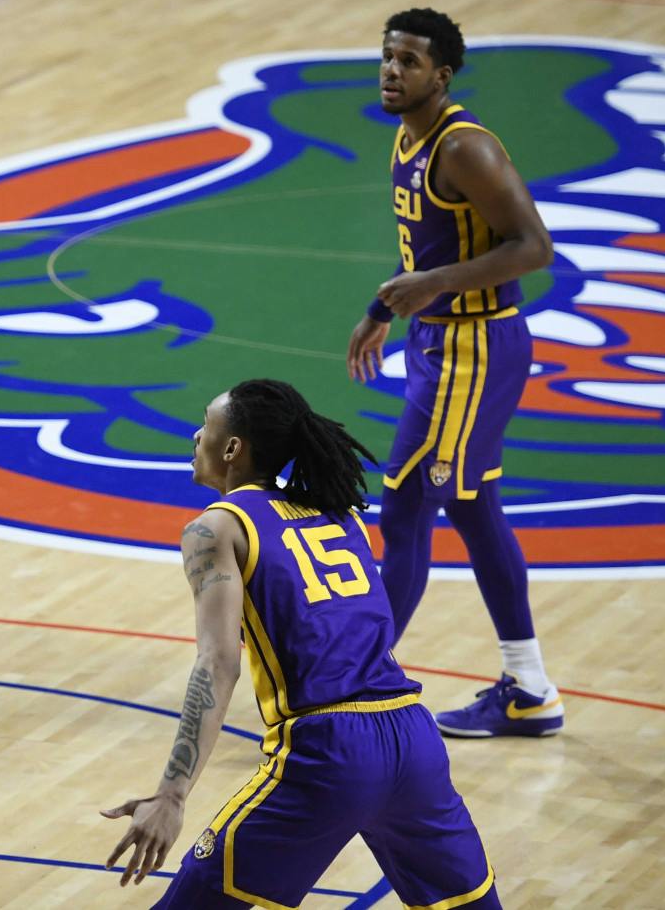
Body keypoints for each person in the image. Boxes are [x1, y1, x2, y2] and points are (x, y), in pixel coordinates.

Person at [99, 380, 502, 908]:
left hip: (328, 751)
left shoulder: (216, 528)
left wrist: (172, 794)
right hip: (414, 739)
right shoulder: (341, 512)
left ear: (233, 449)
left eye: (206, 423)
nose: (196, 434)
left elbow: (219, 663)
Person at [346, 8, 562, 738]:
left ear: (441, 76)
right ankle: (529, 686)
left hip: (476, 348)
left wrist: (433, 283)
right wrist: (384, 306)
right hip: (440, 343)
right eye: (387, 57)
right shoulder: (405, 140)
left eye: (408, 61)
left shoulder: (464, 147)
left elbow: (535, 247)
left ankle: (354, 684)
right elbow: (422, 257)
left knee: (406, 504)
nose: (392, 70)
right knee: (472, 507)